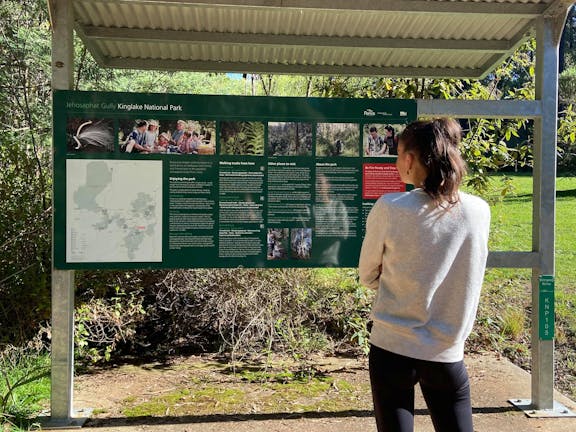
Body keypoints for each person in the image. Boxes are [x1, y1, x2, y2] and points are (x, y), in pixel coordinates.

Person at [358, 118, 490, 432]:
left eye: (398, 153)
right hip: (446, 351)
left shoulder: (390, 207)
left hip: (391, 347)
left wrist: (397, 285)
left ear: (410, 159)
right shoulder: (479, 211)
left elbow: (367, 274)